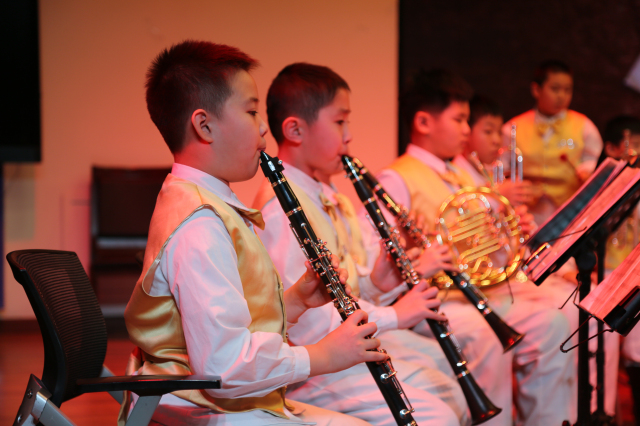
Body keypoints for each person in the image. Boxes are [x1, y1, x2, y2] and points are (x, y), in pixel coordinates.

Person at [118, 40, 388, 426]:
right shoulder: (199, 224)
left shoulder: (205, 200)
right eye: (250, 111)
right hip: (200, 403)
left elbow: (232, 324)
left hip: (226, 398)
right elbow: (224, 365)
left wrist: (295, 301)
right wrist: (323, 356)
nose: (263, 127)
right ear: (204, 125)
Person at [253, 62, 469, 426]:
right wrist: (396, 315)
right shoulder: (280, 209)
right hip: (316, 367)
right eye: (340, 122)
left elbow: (344, 293)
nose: (349, 136)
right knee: (440, 411)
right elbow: (310, 324)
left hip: (344, 349)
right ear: (295, 130)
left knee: (444, 380)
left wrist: (380, 283)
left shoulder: (324, 192)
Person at [372, 69, 575, 426]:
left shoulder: (462, 174)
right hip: (438, 300)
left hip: (479, 290)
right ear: (423, 122)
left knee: (554, 322)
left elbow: (486, 246)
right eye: (459, 119)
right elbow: (385, 258)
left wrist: (510, 233)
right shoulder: (397, 177)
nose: (466, 130)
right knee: (486, 336)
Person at [458, 95, 619, 417]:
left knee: (593, 310)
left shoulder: (483, 174)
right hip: (488, 285)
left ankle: (592, 410)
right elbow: (470, 246)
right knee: (565, 314)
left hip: (508, 274)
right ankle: (561, 414)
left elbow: (502, 246)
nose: (497, 141)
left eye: (498, 133)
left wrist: (514, 226)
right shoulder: (468, 178)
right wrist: (498, 202)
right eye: (488, 131)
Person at [501, 60, 603, 225]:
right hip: (527, 215)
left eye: (567, 90)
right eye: (555, 89)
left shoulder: (585, 126)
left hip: (570, 214)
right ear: (536, 89)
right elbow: (501, 170)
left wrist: (587, 173)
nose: (561, 96)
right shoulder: (512, 128)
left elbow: (595, 163)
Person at [597, 115, 640, 422]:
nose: (636, 155)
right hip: (603, 274)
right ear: (611, 149)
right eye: (630, 147)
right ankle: (604, 410)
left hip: (632, 275)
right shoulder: (598, 185)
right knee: (603, 331)